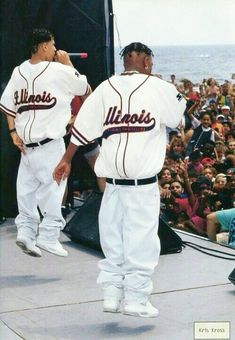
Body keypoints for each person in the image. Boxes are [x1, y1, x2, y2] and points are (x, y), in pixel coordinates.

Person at [53, 42, 186, 318]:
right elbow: (178, 117)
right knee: (142, 243)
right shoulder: (159, 88)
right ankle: (136, 300)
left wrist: (66, 158)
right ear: (147, 63)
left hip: (112, 184)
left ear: (124, 61)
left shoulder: (105, 87)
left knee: (113, 241)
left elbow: (81, 129)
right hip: (140, 184)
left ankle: (112, 297)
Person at [0, 28, 91, 257]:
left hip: (27, 148)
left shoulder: (19, 71)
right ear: (43, 46)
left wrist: (12, 132)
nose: (54, 49)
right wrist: (68, 63)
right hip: (49, 145)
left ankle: (27, 233)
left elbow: (7, 106)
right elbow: (85, 89)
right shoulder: (57, 70)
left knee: (27, 193)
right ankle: (48, 237)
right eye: (52, 45)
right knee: (53, 189)